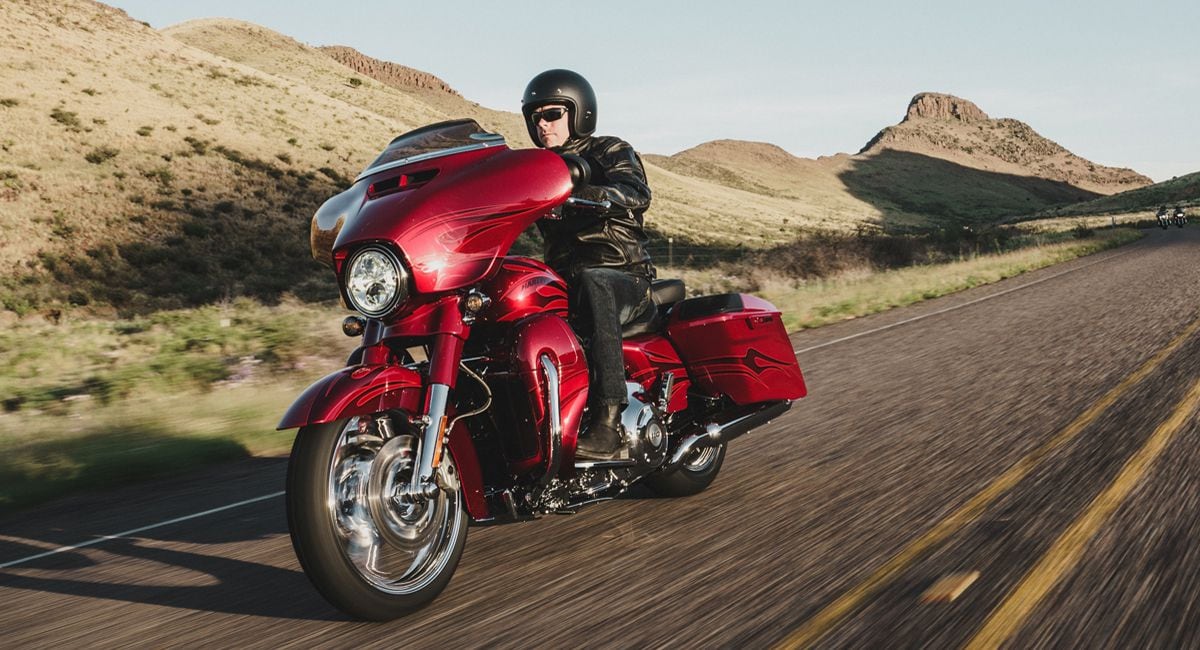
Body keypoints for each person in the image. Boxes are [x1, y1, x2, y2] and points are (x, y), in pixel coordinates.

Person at [521, 69, 655, 459]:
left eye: (553, 114)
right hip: (567, 282)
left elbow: (635, 192)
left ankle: (609, 422)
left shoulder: (609, 151)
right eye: (536, 118)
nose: (543, 125)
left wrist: (585, 194)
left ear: (579, 112)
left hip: (624, 277)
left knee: (594, 280)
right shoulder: (537, 170)